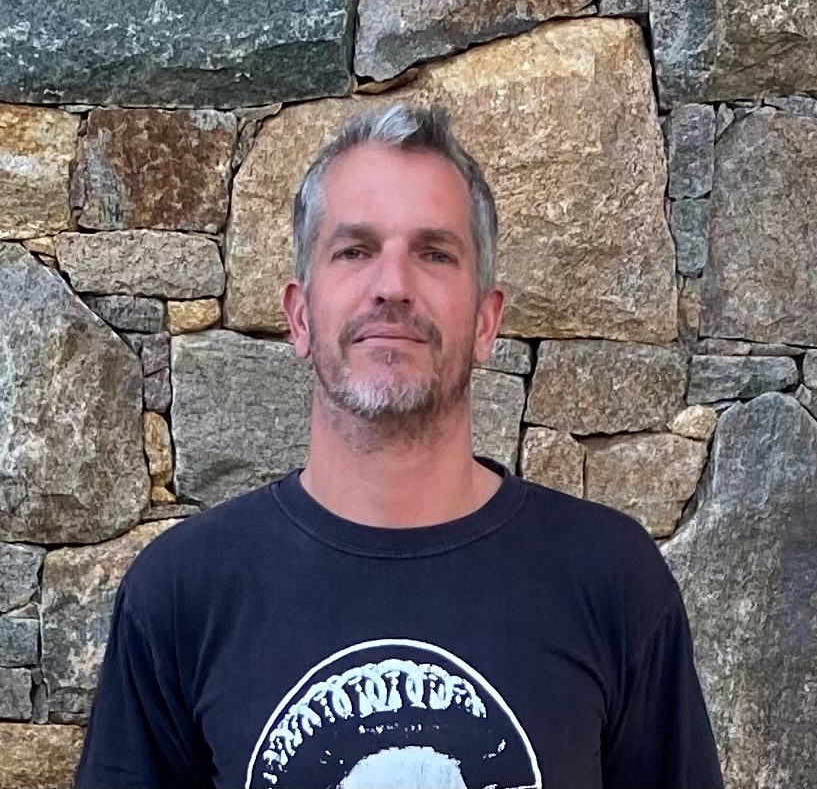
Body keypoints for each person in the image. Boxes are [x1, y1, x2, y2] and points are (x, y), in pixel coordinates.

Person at [75, 103, 724, 789]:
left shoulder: (610, 580)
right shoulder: (185, 592)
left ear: (484, 321)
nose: (392, 286)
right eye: (354, 250)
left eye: (434, 253)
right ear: (299, 315)